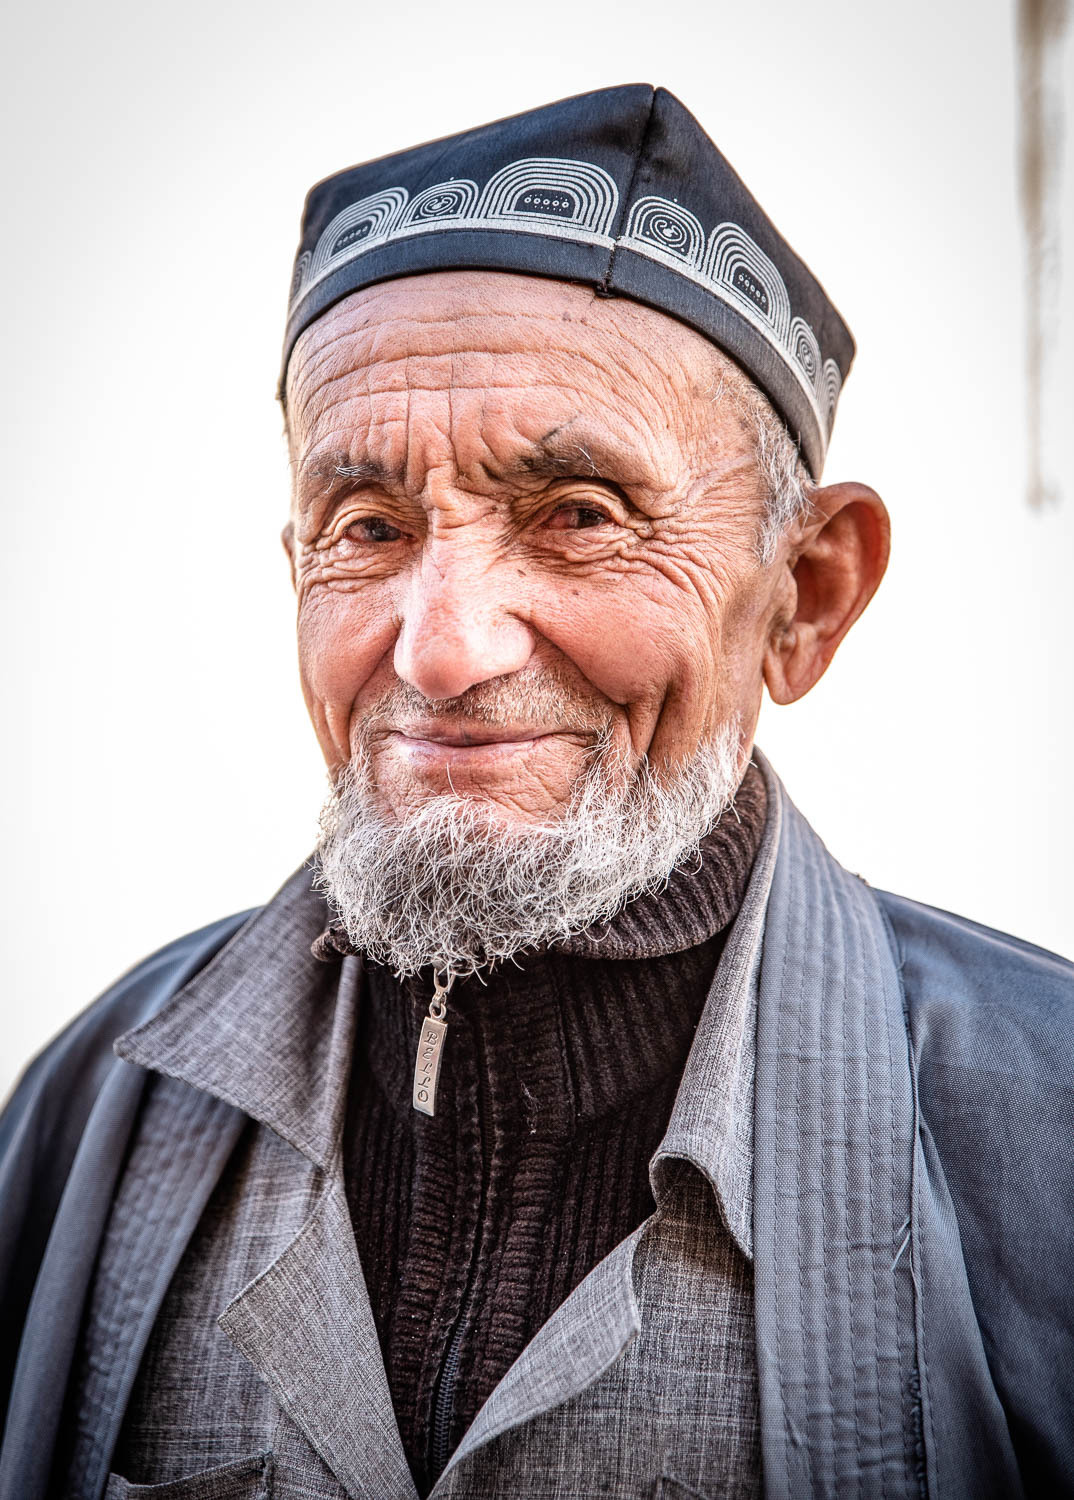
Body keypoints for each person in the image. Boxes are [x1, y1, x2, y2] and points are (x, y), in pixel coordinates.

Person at [1, 84, 1071, 1500]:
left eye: (577, 517)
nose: (439, 646)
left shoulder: (1044, 1129)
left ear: (801, 600)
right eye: (366, 529)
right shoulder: (94, 1104)